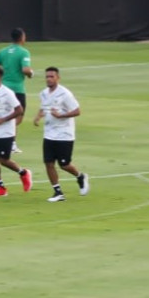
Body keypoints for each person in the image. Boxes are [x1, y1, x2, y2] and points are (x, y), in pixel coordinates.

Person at [34, 66, 87, 201]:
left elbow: (77, 111)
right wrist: (38, 116)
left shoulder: (65, 94)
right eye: (47, 76)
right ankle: (58, 192)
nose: (49, 79)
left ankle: (80, 176)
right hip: (49, 134)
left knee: (64, 164)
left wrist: (61, 115)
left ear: (58, 78)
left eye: (52, 76)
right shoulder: (44, 93)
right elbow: (44, 107)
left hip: (64, 134)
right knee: (48, 163)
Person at [0, 65, 33, 196]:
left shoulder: (7, 93)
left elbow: (19, 110)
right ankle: (1, 188)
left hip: (6, 132)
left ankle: (23, 173)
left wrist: (3, 119)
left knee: (4, 161)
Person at [0, 27, 33, 153]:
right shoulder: (24, 52)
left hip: (4, 89)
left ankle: (7, 141)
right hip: (17, 89)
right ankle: (11, 143)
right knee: (18, 117)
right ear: (22, 37)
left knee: (8, 115)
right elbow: (25, 70)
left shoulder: (3, 51)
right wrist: (31, 73)